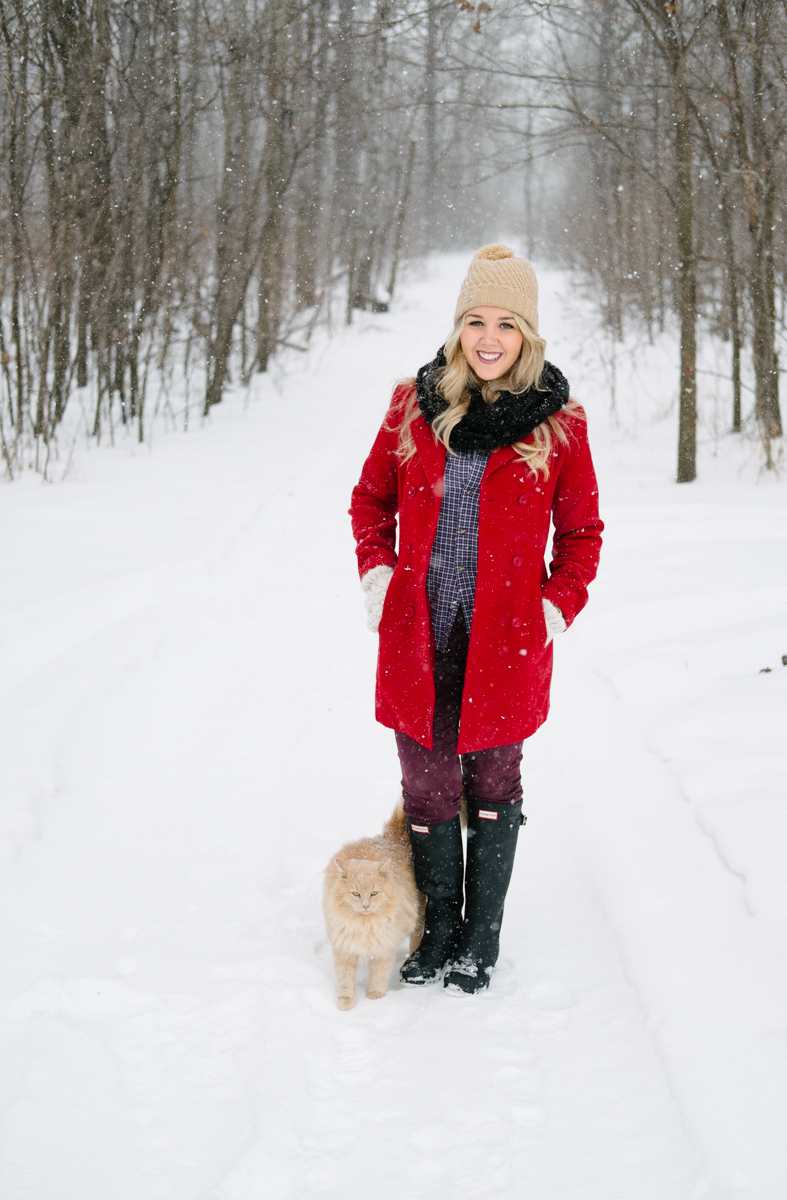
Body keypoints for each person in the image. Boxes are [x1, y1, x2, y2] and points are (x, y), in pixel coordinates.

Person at [349, 245, 603, 995]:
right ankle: (439, 930)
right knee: (426, 788)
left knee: (494, 783)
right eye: (474, 322)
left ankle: (481, 939)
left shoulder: (560, 425)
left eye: (506, 324)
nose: (488, 339)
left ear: (528, 334)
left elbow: (583, 536)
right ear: (458, 327)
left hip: (507, 640)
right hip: (418, 633)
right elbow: (370, 500)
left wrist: (555, 607)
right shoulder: (412, 404)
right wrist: (378, 573)